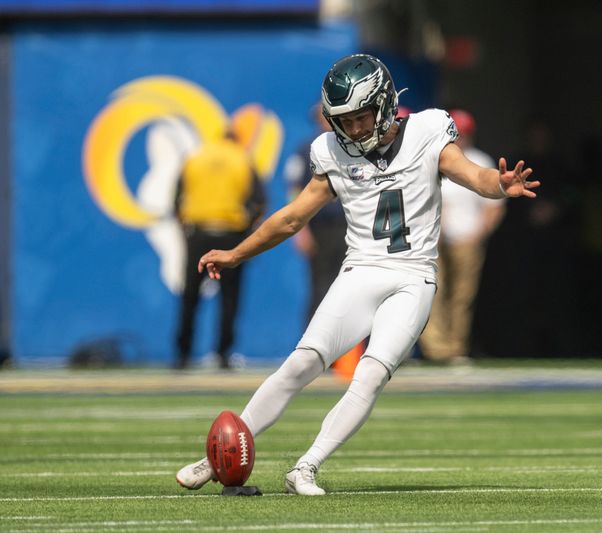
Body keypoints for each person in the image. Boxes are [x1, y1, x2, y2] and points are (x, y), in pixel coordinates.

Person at [176, 53, 539, 495]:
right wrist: (236, 254)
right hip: (361, 270)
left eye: (361, 117)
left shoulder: (426, 131)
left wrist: (498, 186)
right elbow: (290, 219)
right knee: (301, 363)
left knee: (369, 374)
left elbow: (471, 174)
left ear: (385, 104)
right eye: (343, 121)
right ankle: (218, 458)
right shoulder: (331, 152)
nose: (353, 130)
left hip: (412, 277)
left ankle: (305, 467)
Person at [173, 128, 266, 370]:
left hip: (198, 233)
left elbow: (176, 200)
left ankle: (183, 354)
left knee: (190, 296)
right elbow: (259, 201)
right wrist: (247, 228)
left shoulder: (195, 158)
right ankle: (223, 353)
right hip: (231, 234)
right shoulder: (242, 160)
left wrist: (186, 229)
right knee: (229, 298)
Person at [418, 109, 505, 364]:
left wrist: (481, 232)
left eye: (464, 134)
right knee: (433, 291)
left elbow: (493, 205)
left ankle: (456, 347)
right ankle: (436, 349)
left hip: (467, 237)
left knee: (462, 295)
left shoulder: (481, 159)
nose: (460, 139)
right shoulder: (435, 157)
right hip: (435, 237)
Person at [283, 103, 346, 323]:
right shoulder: (308, 149)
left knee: (350, 288)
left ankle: (350, 352)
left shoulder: (351, 146)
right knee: (320, 287)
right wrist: (301, 230)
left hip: (349, 226)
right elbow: (294, 190)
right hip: (320, 226)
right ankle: (314, 347)